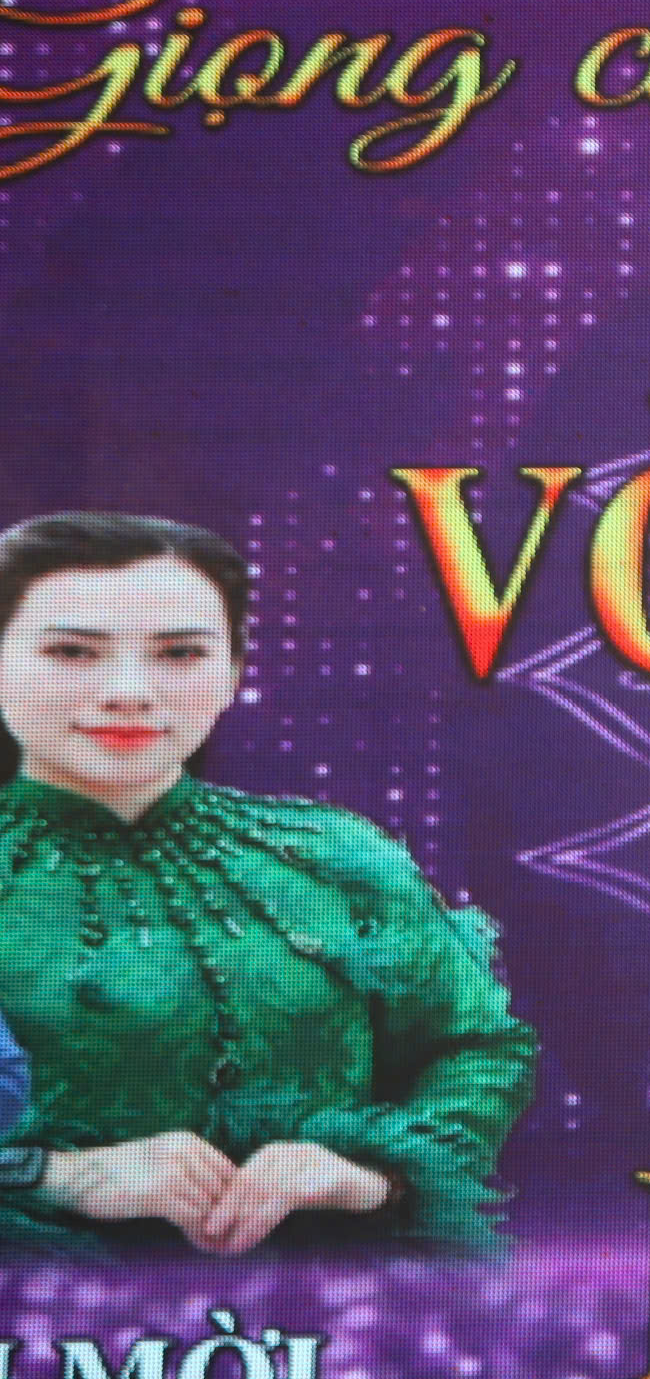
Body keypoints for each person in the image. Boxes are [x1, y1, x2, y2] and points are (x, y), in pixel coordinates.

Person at [0, 511, 537, 1259]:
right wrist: (47, 1175)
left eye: (180, 653)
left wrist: (369, 1173)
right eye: (72, 652)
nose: (129, 692)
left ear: (232, 673)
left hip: (345, 1305)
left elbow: (477, 1047)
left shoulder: (336, 856)